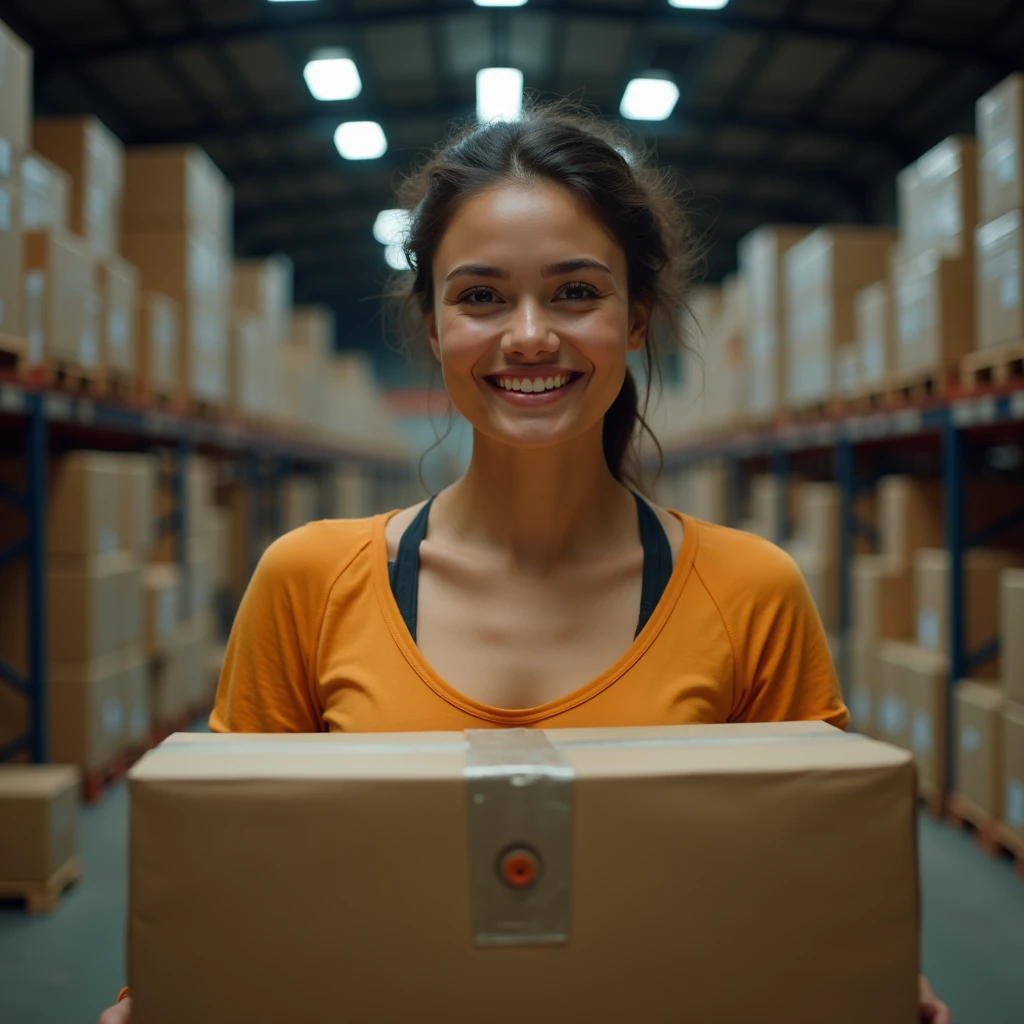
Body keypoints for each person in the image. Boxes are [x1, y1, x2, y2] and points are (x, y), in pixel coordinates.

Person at [100, 104, 949, 1024]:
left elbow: (816, 884)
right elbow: (226, 874)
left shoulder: (750, 592)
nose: (531, 335)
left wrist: (875, 975)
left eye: (577, 292)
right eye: (482, 296)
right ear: (431, 325)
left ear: (636, 318)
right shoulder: (310, 581)